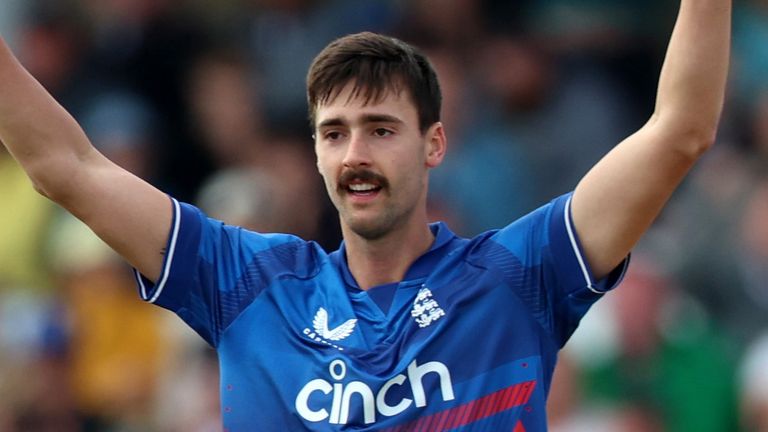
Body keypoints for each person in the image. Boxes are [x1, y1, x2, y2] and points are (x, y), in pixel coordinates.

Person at [0, 0, 731, 429]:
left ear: (433, 143)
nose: (356, 154)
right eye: (334, 133)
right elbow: (68, 167)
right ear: (316, 153)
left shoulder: (518, 274)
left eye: (381, 129)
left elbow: (680, 131)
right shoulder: (246, 281)